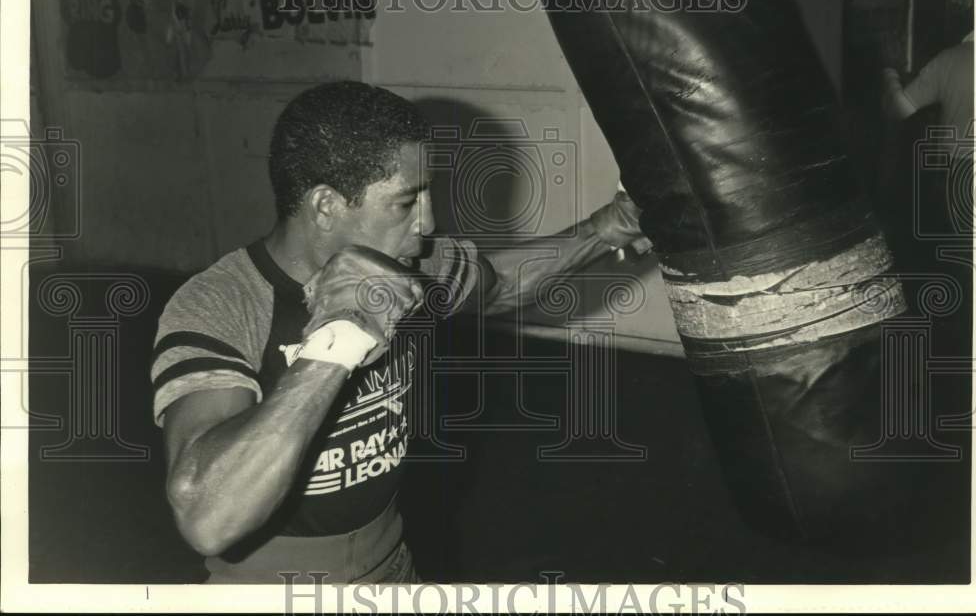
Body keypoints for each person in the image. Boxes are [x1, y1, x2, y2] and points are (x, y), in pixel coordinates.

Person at [150, 80, 648, 584]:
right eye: (406, 201)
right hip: (268, 588)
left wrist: (610, 227)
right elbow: (206, 519)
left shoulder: (409, 266)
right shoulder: (220, 303)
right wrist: (339, 339)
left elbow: (499, 287)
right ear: (326, 206)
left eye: (428, 194)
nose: (428, 223)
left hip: (391, 566)